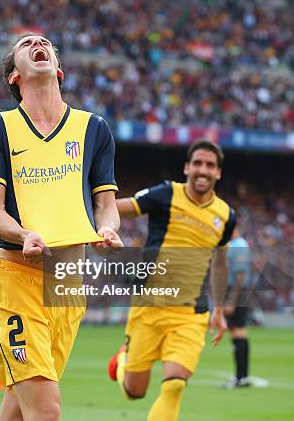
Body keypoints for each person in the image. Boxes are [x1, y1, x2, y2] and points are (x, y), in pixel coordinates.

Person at [0, 34, 122, 421]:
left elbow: (105, 205)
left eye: (46, 42)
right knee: (46, 410)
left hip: (68, 286)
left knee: (19, 413)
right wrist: (24, 234)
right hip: (16, 282)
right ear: (13, 76)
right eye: (26, 44)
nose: (38, 42)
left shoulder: (94, 128)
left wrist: (107, 229)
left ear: (58, 67)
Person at [108, 139, 235, 421]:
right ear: (187, 167)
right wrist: (94, 214)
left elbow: (221, 262)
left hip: (191, 314)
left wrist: (219, 310)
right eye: (198, 163)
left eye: (210, 165)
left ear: (218, 173)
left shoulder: (226, 216)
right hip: (149, 308)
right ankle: (123, 363)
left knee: (175, 384)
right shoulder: (166, 194)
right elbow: (119, 207)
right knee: (134, 391)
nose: (203, 170)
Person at [221, 226, 252, 388]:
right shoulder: (235, 244)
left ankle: (242, 377)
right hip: (235, 291)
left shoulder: (239, 245)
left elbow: (240, 274)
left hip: (237, 292)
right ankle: (241, 376)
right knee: (235, 332)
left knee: (239, 331)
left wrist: (232, 300)